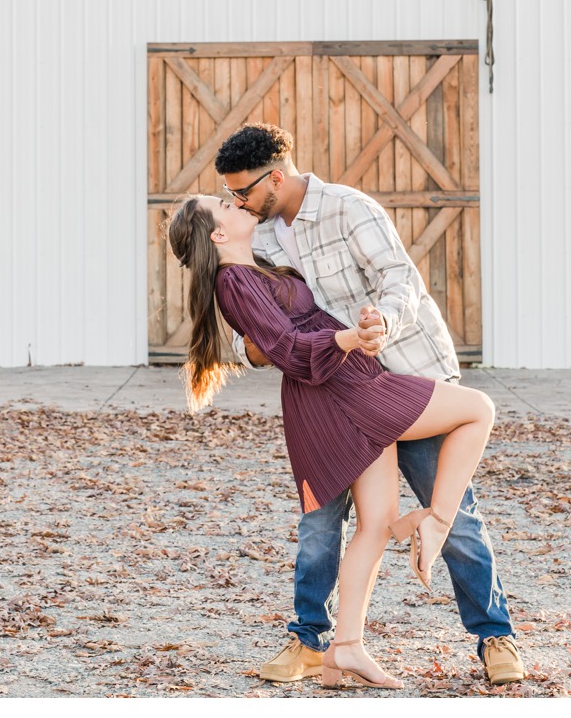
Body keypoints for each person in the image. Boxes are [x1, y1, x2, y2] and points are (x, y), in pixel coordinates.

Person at [215, 123, 525, 686]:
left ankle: (493, 637)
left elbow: (397, 278)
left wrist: (384, 321)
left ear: (275, 179)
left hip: (404, 369)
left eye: (243, 193)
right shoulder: (252, 236)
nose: (237, 203)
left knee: (454, 516)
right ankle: (311, 641)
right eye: (231, 197)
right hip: (333, 391)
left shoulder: (348, 209)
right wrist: (258, 348)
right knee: (321, 525)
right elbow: (246, 321)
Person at [168, 193, 497, 689]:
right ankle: (436, 523)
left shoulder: (256, 267)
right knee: (478, 409)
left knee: (378, 525)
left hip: (342, 386)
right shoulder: (233, 280)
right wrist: (349, 339)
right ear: (217, 233)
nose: (236, 204)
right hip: (345, 392)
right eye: (224, 205)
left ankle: (345, 649)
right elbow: (287, 349)